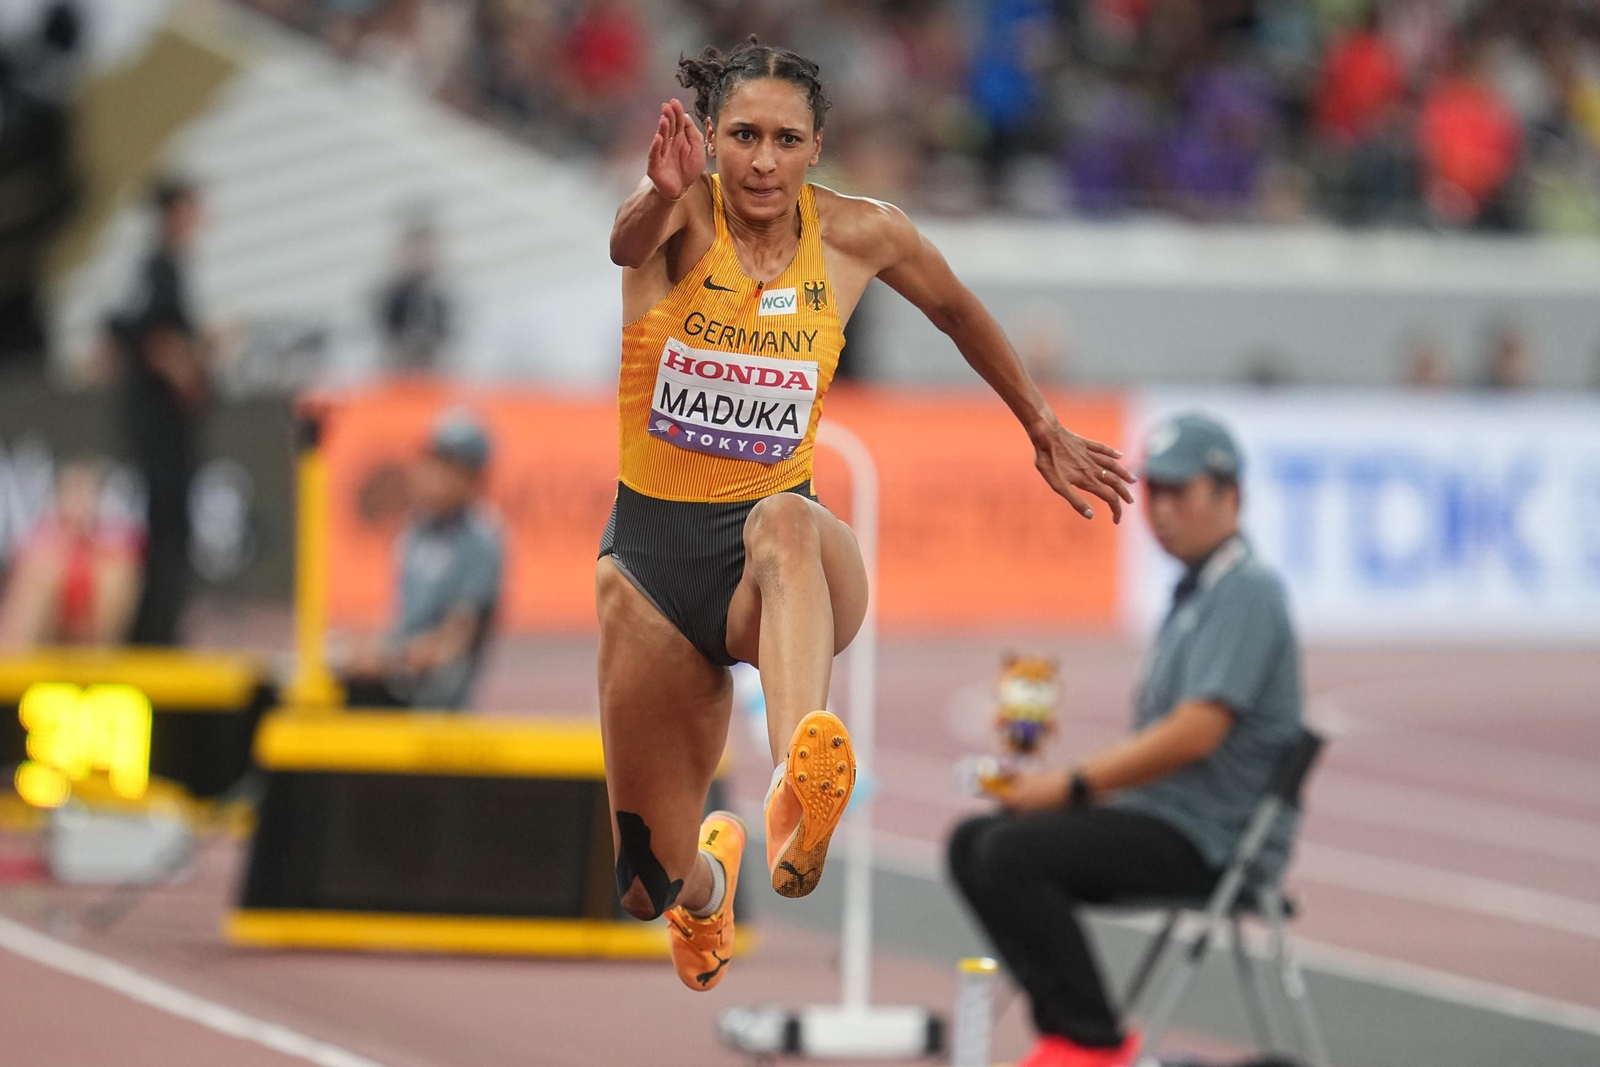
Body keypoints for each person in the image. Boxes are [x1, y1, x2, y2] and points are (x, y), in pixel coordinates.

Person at [599, 37, 1136, 994]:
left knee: (787, 519)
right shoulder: (679, 211)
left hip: (781, 566)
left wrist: (1040, 422)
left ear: (817, 147)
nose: (763, 160)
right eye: (744, 137)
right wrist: (655, 191)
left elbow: (958, 309)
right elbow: (624, 245)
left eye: (786, 139)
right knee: (646, 884)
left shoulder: (860, 234)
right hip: (650, 565)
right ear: (712, 141)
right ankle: (713, 879)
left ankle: (799, 773)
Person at [948, 413, 1304, 1067]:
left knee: (1010, 854)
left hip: (1213, 840)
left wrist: (1071, 785)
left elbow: (1197, 732)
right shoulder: (1197, 590)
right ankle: (1073, 1032)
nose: (1161, 510)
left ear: (1231, 496)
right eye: (1156, 492)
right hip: (1166, 817)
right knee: (975, 842)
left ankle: (1091, 1043)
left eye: (1181, 492)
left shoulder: (1245, 591)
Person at [342, 410, 503, 711]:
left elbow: (452, 645)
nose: (429, 474)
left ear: (471, 480)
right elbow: (406, 625)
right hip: (396, 680)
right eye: (430, 462)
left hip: (432, 700)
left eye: (445, 467)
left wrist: (386, 658)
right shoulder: (415, 531)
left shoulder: (480, 540)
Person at [112, 179, 209, 646]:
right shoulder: (157, 270)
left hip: (160, 421)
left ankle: (157, 628)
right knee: (166, 524)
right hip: (159, 423)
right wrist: (186, 367)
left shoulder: (167, 268)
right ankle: (154, 633)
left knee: (168, 524)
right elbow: (147, 337)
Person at [0, 458, 141, 649]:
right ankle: (19, 665)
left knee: (116, 575)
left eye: (85, 492)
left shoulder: (115, 536)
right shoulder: (41, 535)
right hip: (43, 633)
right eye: (72, 491)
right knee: (39, 573)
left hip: (92, 631)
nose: (79, 501)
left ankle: (100, 660)